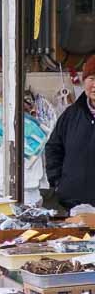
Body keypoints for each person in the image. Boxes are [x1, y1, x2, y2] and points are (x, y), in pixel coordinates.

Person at [45, 55, 95, 210]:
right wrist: (58, 182)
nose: (94, 85)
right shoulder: (71, 115)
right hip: (71, 204)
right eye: (91, 78)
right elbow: (53, 148)